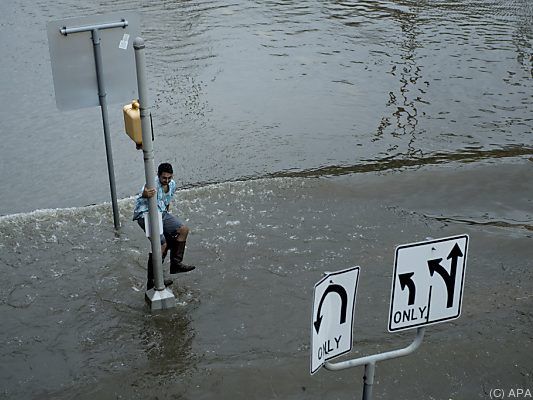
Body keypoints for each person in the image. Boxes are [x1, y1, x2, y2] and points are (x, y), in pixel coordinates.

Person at [133, 162, 195, 290]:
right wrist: (145, 194)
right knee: (161, 244)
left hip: (161, 213)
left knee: (183, 230)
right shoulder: (152, 184)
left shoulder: (172, 184)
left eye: (169, 178)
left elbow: (167, 202)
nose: (166, 180)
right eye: (164, 178)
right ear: (158, 175)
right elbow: (142, 194)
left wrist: (167, 221)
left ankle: (176, 264)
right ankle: (153, 280)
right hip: (146, 214)